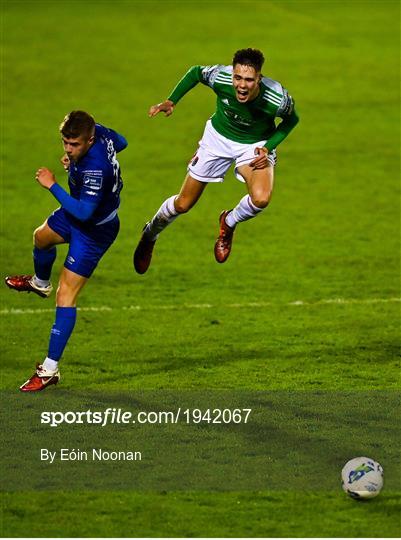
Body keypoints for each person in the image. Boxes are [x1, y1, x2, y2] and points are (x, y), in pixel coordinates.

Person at [133, 48, 299, 274]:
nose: (242, 85)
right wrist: (171, 101)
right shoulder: (219, 76)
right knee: (183, 204)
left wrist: (267, 148)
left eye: (249, 80)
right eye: (237, 77)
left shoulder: (278, 98)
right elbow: (195, 73)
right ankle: (149, 235)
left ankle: (229, 222)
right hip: (217, 139)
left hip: (255, 145)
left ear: (259, 78)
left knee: (261, 199)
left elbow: (291, 121)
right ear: (232, 73)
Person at [5, 111, 127, 391]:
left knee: (66, 294)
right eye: (65, 143)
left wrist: (52, 185)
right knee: (41, 238)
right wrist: (75, 160)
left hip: (94, 229)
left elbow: (84, 213)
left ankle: (49, 369)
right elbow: (123, 142)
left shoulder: (96, 170)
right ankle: (39, 283)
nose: (68, 149)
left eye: (74, 146)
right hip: (77, 212)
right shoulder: (99, 132)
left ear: (89, 139)